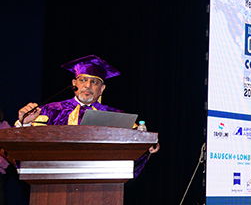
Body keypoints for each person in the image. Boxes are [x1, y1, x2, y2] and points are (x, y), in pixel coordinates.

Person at [16, 55, 159, 163]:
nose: (88, 85)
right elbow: (24, 149)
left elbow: (134, 148)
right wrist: (25, 124)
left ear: (102, 89)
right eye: (83, 80)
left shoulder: (114, 115)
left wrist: (146, 144)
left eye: (94, 82)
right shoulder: (50, 110)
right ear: (74, 83)